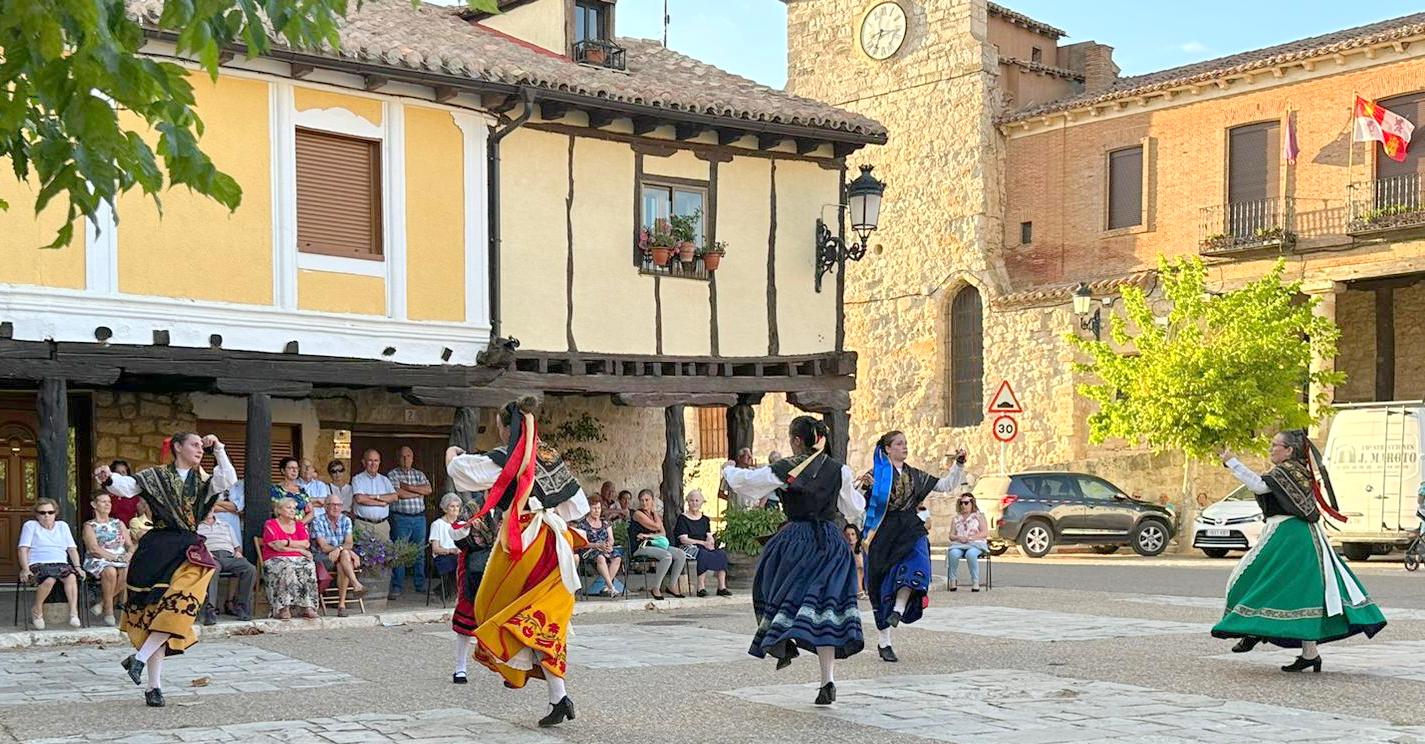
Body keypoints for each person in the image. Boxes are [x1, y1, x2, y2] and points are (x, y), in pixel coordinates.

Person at [445, 397, 590, 728]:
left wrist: (452, 457)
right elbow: (577, 506)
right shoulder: (549, 455)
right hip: (557, 541)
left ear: (504, 426)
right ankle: (559, 698)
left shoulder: (508, 457)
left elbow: (466, 473)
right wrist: (547, 510)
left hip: (526, 544)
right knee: (543, 623)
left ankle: (535, 679)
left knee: (491, 607)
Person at [722, 416, 865, 706]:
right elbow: (853, 509)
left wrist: (728, 470)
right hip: (830, 543)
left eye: (791, 439)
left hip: (797, 542)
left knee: (776, 591)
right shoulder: (840, 470)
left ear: (797, 440)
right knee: (824, 610)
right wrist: (860, 490)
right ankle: (827, 681)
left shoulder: (787, 467)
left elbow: (748, 482)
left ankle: (782, 642)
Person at [1216, 430, 1388, 672]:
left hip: (1290, 535)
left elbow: (1259, 485)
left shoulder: (1288, 471)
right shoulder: (1295, 470)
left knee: (1246, 578)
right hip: (1296, 534)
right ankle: (1309, 654)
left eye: (1275, 445)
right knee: (1300, 593)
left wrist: (1232, 462)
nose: (1271, 448)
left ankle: (1251, 629)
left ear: (1289, 450)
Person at [94, 431, 237, 708]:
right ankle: (153, 687)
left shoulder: (205, 480)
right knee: (156, 616)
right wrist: (107, 477)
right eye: (194, 445)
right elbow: (125, 486)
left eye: (200, 445)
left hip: (188, 550)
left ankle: (138, 659)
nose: (199, 449)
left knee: (179, 607)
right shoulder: (155, 476)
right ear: (178, 447)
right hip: (157, 548)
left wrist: (218, 448)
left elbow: (228, 478)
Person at [857, 432, 967, 663]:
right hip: (882, 533)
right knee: (882, 583)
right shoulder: (874, 475)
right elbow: (854, 502)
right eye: (899, 444)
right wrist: (861, 488)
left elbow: (945, 485)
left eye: (906, 443)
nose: (904, 447)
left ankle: (898, 609)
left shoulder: (915, 475)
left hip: (909, 528)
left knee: (917, 564)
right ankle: (884, 641)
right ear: (887, 449)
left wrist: (958, 465)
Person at [18, 498, 84, 630]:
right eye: (42, 513)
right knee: (49, 579)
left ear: (55, 513)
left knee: (71, 576)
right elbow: (22, 548)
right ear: (36, 514)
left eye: (50, 512)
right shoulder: (30, 526)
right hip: (38, 563)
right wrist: (25, 569)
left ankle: (73, 613)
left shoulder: (62, 526)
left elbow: (72, 549)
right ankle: (37, 610)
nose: (46, 515)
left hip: (60, 563)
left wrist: (78, 567)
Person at [261, 497, 320, 621]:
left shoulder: (299, 525)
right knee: (288, 567)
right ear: (279, 510)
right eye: (289, 508)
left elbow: (306, 543)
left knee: (308, 565)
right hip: (275, 558)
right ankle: (284, 607)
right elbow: (276, 546)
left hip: (296, 558)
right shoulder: (271, 524)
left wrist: (287, 542)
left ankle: (307, 606)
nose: (292, 511)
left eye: (294, 508)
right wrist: (298, 549)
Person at [82, 492, 133, 626]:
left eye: (109, 502)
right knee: (110, 571)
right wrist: (115, 557)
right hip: (98, 558)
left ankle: (102, 604)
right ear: (94, 504)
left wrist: (130, 554)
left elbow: (130, 545)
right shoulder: (89, 525)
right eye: (103, 501)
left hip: (120, 558)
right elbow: (94, 549)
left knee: (128, 571)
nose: (107, 504)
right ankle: (109, 612)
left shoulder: (118, 523)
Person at [388, 446, 432, 597]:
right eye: (402, 456)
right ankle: (397, 586)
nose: (405, 459)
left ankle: (419, 585)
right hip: (401, 518)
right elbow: (397, 493)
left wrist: (407, 487)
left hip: (419, 518)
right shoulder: (392, 474)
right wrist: (417, 492)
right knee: (399, 552)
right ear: (398, 458)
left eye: (408, 456)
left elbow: (428, 490)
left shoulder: (419, 474)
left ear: (412, 458)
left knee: (419, 552)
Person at [195, 512, 256, 622]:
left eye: (211, 507)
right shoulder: (197, 527)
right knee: (212, 569)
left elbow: (237, 546)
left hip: (229, 556)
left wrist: (238, 552)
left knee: (250, 569)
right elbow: (196, 546)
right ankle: (210, 609)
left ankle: (242, 606)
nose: (209, 510)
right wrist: (205, 553)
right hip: (210, 556)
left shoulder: (225, 525)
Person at [629, 489, 688, 600]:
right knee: (666, 556)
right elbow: (656, 527)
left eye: (647, 500)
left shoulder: (654, 515)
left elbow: (663, 533)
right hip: (641, 546)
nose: (644, 503)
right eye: (642, 500)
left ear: (652, 501)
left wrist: (649, 535)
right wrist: (652, 534)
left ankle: (672, 585)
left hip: (655, 544)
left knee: (681, 554)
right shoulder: (638, 514)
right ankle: (656, 588)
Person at [310, 494, 363, 616]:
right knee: (345, 556)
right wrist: (345, 550)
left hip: (340, 558)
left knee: (342, 562)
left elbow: (349, 543)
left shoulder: (346, 520)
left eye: (338, 505)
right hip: (320, 557)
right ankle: (355, 584)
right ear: (325, 507)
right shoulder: (318, 521)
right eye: (332, 505)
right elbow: (323, 547)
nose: (336, 508)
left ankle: (341, 605)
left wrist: (341, 549)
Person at [675, 489, 730, 597]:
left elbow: (709, 535)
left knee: (721, 554)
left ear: (701, 503)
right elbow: (684, 539)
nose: (694, 503)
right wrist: (703, 543)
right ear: (688, 502)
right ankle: (701, 587)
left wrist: (710, 542)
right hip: (687, 546)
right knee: (703, 554)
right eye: (691, 500)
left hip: (703, 545)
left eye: (697, 500)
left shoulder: (705, 519)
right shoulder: (683, 518)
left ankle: (721, 587)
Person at [576, 499, 623, 596]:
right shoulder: (582, 524)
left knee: (617, 557)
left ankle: (606, 587)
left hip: (604, 548)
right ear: (588, 509)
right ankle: (611, 587)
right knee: (601, 557)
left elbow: (611, 539)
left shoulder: (605, 523)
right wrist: (597, 545)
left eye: (599, 508)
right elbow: (583, 543)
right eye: (594, 508)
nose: (597, 511)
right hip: (590, 550)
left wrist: (609, 546)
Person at [946, 494, 989, 592]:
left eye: (966, 503)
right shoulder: (956, 519)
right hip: (959, 543)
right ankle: (953, 580)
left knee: (971, 554)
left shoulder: (979, 516)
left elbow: (985, 532)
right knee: (953, 554)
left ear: (972, 503)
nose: (963, 505)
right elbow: (951, 535)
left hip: (975, 543)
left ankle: (975, 582)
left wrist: (970, 538)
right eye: (961, 503)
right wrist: (959, 537)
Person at [351, 449, 397, 543]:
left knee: (385, 555)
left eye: (376, 460)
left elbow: (394, 497)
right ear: (364, 462)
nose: (373, 463)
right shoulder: (357, 479)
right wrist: (381, 503)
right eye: (370, 460)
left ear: (379, 462)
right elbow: (360, 499)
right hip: (363, 524)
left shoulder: (385, 480)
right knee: (362, 555)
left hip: (382, 525)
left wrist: (374, 496)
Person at [429, 493, 464, 582]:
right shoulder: (437, 524)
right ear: (445, 509)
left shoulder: (462, 523)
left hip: (459, 555)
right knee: (459, 564)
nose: (455, 509)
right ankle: (456, 591)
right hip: (444, 556)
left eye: (457, 506)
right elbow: (435, 549)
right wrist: (451, 550)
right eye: (452, 506)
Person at [270, 456, 314, 524]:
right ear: (283, 471)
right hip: (282, 527)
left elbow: (311, 512)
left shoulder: (301, 490)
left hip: (300, 528)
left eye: (296, 468)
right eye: (291, 468)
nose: (295, 470)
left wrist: (299, 525)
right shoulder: (275, 489)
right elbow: (276, 510)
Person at [106, 460, 139, 526]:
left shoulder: (134, 495)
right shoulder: (107, 494)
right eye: (118, 472)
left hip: (130, 529)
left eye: (123, 472)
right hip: (111, 529)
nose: (121, 475)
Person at [842, 524, 867, 600]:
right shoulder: (842, 552)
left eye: (853, 534)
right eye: (847, 535)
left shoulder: (861, 550)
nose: (850, 537)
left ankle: (860, 590)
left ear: (857, 535)